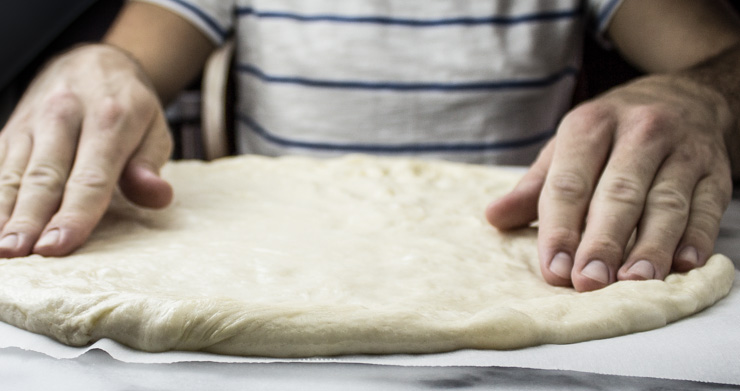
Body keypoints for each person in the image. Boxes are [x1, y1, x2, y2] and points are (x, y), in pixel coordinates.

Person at [0, 0, 738, 293]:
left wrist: (700, 95)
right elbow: (126, 65)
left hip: (526, 267)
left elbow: (725, 59)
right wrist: (89, 69)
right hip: (270, 276)